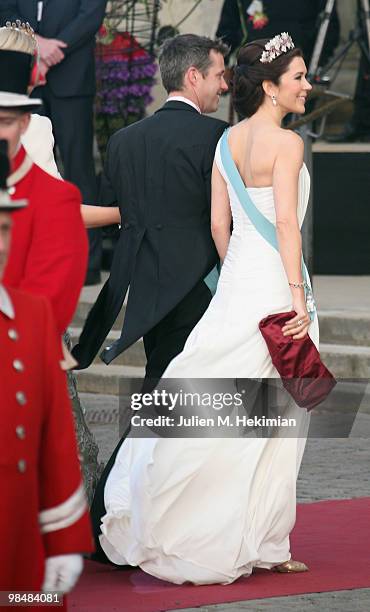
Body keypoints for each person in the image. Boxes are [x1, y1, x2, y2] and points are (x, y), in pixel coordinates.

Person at [96, 34, 320, 584]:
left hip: (237, 284)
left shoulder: (226, 142)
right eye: (297, 78)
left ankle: (255, 536)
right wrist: (295, 294)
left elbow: (221, 226)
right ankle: (259, 539)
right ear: (270, 88)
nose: (307, 86)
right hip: (275, 287)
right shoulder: (286, 145)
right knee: (276, 417)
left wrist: (237, 273)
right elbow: (288, 224)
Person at [73, 34, 229, 387]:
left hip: (145, 287)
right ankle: (137, 444)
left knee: (162, 378)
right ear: (193, 76)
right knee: (177, 389)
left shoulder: (122, 141)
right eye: (218, 75)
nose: (224, 85)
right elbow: (225, 215)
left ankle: (146, 440)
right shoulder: (219, 136)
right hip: (201, 285)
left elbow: (115, 216)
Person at [0, 159, 93, 594]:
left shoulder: (32, 318)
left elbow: (54, 438)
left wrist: (65, 541)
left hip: (19, 529)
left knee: (23, 601)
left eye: (5, 230)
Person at [1, 0, 108, 285]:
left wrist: (52, 49)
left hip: (70, 73)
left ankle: (86, 263)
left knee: (78, 169)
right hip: (18, 72)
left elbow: (91, 15)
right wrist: (35, 45)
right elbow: (6, 8)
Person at [216, 0, 339, 66]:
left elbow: (329, 27)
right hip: (253, 73)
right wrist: (220, 66)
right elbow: (228, 28)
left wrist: (316, 64)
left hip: (297, 70)